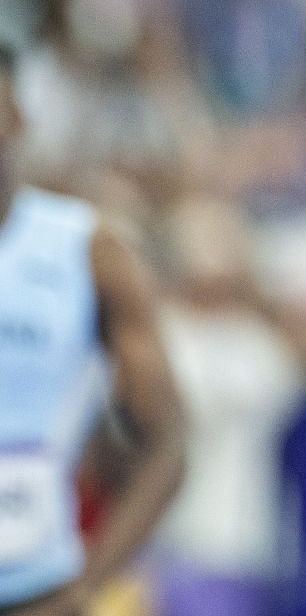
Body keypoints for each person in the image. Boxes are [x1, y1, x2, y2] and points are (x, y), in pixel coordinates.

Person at [0, 46, 186, 615]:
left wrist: (87, 586)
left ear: (17, 117)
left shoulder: (89, 251)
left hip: (37, 588)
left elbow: (166, 446)